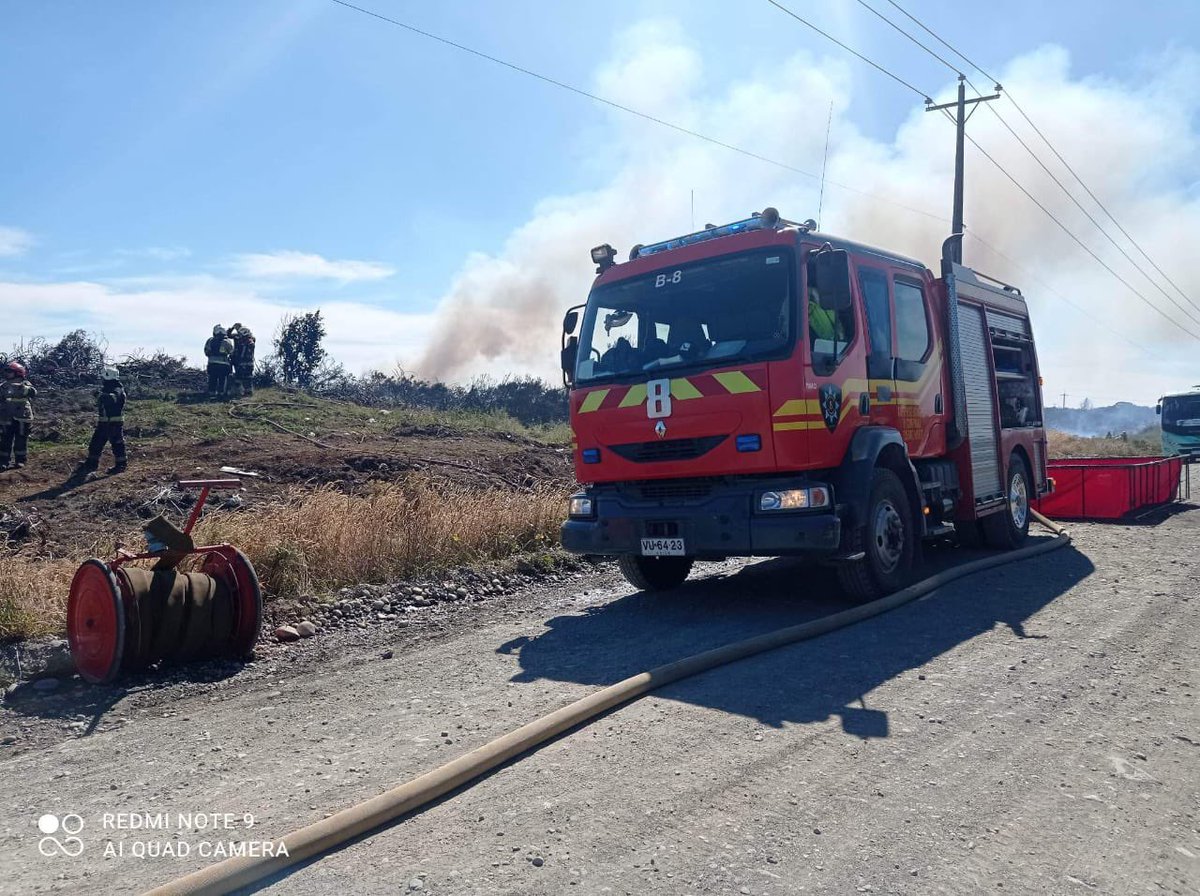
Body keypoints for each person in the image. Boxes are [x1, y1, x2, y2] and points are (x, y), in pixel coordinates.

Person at [81, 366, 127, 474]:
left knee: (117, 444)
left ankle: (121, 465)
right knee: (96, 443)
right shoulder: (108, 388)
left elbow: (110, 399)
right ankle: (91, 463)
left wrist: (98, 395)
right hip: (104, 422)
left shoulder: (117, 389)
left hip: (114, 422)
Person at [0, 361, 36, 471]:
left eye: (9, 372)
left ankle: (20, 460)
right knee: (5, 440)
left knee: (21, 439)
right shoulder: (3, 385)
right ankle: (3, 462)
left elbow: (33, 392)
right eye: (6, 372)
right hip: (6, 417)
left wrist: (24, 389)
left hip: (22, 417)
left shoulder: (26, 384)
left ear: (18, 373)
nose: (7, 374)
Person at [204, 325, 234, 398]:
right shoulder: (227, 342)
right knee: (222, 380)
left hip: (212, 364)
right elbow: (231, 352)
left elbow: (206, 351)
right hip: (224, 365)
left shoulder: (210, 340)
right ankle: (221, 395)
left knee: (212, 379)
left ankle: (212, 394)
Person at [229, 325, 256, 397]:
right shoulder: (248, 341)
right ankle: (244, 393)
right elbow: (229, 335)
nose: (239, 335)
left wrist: (236, 357)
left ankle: (244, 393)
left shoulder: (247, 342)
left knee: (243, 378)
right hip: (246, 363)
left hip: (244, 363)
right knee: (245, 378)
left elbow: (242, 354)